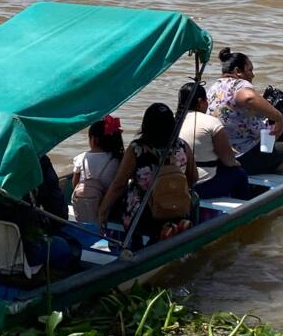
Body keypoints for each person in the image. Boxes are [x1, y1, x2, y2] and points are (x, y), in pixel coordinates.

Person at [97, 103, 196, 246]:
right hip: (179, 208)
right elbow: (193, 178)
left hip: (145, 213)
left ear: (145, 125)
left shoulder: (137, 149)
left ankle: (158, 231)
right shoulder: (182, 146)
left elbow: (119, 185)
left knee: (125, 205)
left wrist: (102, 211)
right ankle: (176, 224)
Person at [206, 47, 283, 175]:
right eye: (250, 70)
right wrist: (279, 118)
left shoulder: (214, 88)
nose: (253, 75)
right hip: (240, 155)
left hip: (219, 153)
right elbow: (248, 98)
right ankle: (264, 188)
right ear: (237, 71)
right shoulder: (239, 84)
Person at [177, 82, 250, 201]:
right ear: (200, 101)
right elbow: (229, 161)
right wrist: (237, 163)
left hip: (178, 183)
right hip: (200, 186)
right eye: (206, 100)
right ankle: (246, 210)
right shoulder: (211, 122)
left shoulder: (174, 120)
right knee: (239, 173)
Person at [70, 115, 124, 223]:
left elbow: (75, 184)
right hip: (109, 208)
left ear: (93, 140)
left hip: (84, 207)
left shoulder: (80, 158)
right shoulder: (117, 159)